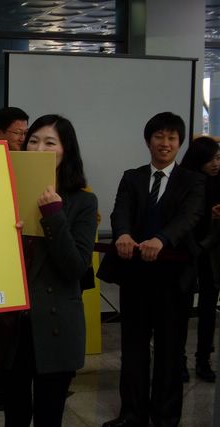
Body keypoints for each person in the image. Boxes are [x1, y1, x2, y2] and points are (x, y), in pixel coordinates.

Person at [99, 112, 205, 427]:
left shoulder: (193, 181)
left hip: (174, 280)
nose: (165, 143)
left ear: (179, 143)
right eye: (159, 136)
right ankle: (131, 414)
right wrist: (123, 234)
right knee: (133, 348)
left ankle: (166, 417)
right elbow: (120, 210)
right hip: (136, 277)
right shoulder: (132, 177)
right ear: (148, 141)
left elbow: (190, 217)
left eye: (172, 138)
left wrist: (162, 239)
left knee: (170, 350)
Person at [2, 114, 98, 426]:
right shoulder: (5, 192)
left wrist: (53, 215)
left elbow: (75, 267)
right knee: (14, 414)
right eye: (33, 140)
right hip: (13, 327)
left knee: (49, 415)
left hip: (56, 325)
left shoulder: (83, 202)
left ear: (66, 150)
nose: (39, 148)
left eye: (50, 142)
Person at [180, 136, 220, 383]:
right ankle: (179, 361)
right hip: (185, 252)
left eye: (219, 158)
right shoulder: (184, 183)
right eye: (211, 159)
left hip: (211, 254)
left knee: (208, 309)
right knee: (181, 309)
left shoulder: (219, 182)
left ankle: (203, 360)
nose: (216, 164)